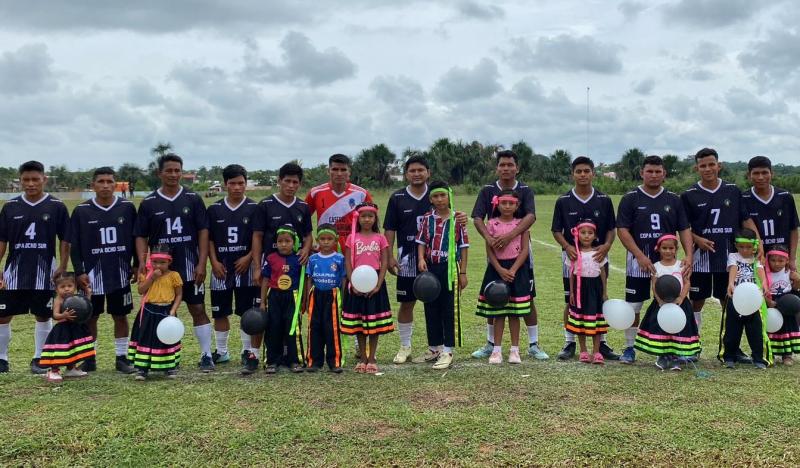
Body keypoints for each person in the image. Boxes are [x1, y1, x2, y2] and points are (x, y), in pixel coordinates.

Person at [133, 153, 214, 372]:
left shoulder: (193, 199)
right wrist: (142, 260)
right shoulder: (149, 202)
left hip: (190, 267)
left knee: (198, 308)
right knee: (160, 312)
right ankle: (163, 360)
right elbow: (140, 235)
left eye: (177, 170)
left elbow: (203, 231)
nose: (173, 174)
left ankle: (206, 355)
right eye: (168, 170)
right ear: (159, 173)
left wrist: (201, 263)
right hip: (160, 270)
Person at [385, 155, 469, 364]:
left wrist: (463, 218)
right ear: (406, 174)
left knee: (438, 304)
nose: (416, 174)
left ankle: (441, 348)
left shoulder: (437, 194)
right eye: (412, 171)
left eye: (420, 170)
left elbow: (456, 218)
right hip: (407, 259)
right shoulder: (397, 197)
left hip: (435, 263)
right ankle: (405, 346)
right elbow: (389, 229)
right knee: (406, 303)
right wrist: (389, 257)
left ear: (428, 172)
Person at [681, 148, 760, 363]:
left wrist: (757, 240)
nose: (707, 169)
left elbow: (745, 219)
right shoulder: (688, 195)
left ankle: (731, 348)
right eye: (703, 165)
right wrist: (697, 239)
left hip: (729, 260)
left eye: (711, 164)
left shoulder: (733, 191)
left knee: (730, 302)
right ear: (697, 168)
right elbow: (684, 227)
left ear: (719, 165)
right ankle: (693, 345)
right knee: (696, 301)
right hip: (701, 259)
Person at [470, 150, 548, 361]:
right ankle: (490, 344)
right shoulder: (487, 190)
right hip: (496, 252)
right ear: (497, 168)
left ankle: (533, 344)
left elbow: (531, 216)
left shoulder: (525, 190)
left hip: (520, 253)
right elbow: (477, 217)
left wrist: (511, 235)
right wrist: (489, 237)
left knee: (526, 297)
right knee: (494, 295)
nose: (506, 168)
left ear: (517, 167)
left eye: (510, 165)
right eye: (502, 165)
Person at [615, 156, 693, 364]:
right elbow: (622, 230)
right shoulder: (630, 198)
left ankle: (670, 349)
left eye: (658, 171)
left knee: (671, 304)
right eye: (650, 171)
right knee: (634, 306)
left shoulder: (674, 199)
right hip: (638, 264)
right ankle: (630, 348)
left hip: (668, 265)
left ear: (664, 173)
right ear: (642, 173)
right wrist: (639, 255)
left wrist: (689, 256)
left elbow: (684, 228)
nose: (654, 175)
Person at [0, 160, 70, 374]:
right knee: (2, 315)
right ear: (20, 181)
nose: (30, 184)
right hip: (14, 272)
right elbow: (2, 241)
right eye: (26, 180)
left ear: (44, 180)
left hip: (45, 272)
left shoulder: (56, 206)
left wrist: (63, 266)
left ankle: (40, 357)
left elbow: (65, 239)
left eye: (35, 179)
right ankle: (1, 358)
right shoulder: (10, 207)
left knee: (44, 314)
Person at [68, 167, 137, 374]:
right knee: (90, 316)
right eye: (101, 182)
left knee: (120, 316)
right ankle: (90, 358)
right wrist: (79, 271)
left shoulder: (127, 208)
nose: (105, 185)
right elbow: (75, 245)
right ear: (93, 185)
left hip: (120, 273)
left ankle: (121, 357)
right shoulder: (81, 211)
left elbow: (137, 239)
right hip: (91, 276)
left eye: (109, 181)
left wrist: (135, 264)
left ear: (116, 184)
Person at [305, 154, 372, 358]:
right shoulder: (316, 193)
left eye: (343, 170)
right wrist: (310, 243)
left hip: (355, 256)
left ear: (349, 172)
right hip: (325, 257)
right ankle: (324, 347)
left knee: (356, 300)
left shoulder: (361, 194)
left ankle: (360, 347)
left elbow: (371, 220)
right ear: (329, 171)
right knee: (326, 302)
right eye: (335, 169)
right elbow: (303, 222)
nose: (339, 173)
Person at [552, 156, 618, 361]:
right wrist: (567, 246)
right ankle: (569, 341)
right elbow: (556, 230)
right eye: (578, 171)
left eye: (586, 171)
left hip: (597, 259)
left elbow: (611, 229)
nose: (582, 175)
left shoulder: (604, 199)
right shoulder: (563, 200)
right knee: (570, 300)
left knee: (599, 299)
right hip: (574, 259)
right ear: (573, 174)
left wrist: (606, 246)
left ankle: (602, 344)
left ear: (593, 173)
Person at [207, 164, 260, 366]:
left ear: (246, 184)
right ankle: (221, 351)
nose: (237, 187)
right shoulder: (214, 209)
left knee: (247, 312)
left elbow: (259, 238)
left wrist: (249, 258)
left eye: (241, 183)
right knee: (220, 312)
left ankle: (247, 351)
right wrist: (214, 261)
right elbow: (209, 239)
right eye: (232, 183)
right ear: (225, 184)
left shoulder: (255, 208)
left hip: (245, 270)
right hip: (221, 269)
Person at [416, 182, 469, 370]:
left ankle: (448, 350)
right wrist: (421, 258)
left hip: (450, 269)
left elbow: (463, 247)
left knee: (449, 310)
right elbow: (422, 241)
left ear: (449, 197)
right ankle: (434, 348)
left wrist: (462, 272)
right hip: (431, 268)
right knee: (431, 308)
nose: (439, 200)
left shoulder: (458, 219)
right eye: (435, 197)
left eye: (443, 196)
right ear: (430, 199)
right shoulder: (427, 218)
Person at [476, 189, 530, 364]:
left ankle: (515, 350)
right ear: (497, 204)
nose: (507, 206)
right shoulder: (491, 224)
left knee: (514, 313)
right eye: (504, 203)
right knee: (498, 312)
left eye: (511, 203)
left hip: (516, 270)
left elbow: (524, 250)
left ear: (517, 205)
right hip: (496, 270)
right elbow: (489, 250)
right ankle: (496, 350)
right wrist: (499, 269)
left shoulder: (522, 224)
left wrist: (513, 270)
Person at [634, 235, 701, 370]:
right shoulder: (656, 267)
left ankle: (675, 356)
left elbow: (687, 283)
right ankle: (662, 356)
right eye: (664, 248)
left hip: (679, 304)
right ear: (658, 249)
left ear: (676, 249)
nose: (668, 251)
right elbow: (654, 285)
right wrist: (660, 301)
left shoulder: (681, 265)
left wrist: (681, 298)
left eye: (671, 248)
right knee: (662, 330)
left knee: (678, 330)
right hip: (662, 305)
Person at [341, 202, 394, 373]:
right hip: (356, 282)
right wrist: (352, 283)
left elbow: (385, 262)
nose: (367, 219)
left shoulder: (380, 238)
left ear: (375, 218)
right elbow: (348, 262)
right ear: (358, 218)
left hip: (375, 282)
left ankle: (372, 358)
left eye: (370, 216)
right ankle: (362, 358)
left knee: (374, 324)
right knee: (359, 323)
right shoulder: (352, 238)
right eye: (363, 216)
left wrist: (378, 284)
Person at [129, 244, 183, 380]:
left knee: (166, 340)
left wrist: (173, 310)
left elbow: (178, 295)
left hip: (166, 312)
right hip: (149, 310)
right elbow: (141, 290)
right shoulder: (146, 273)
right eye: (155, 262)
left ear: (169, 262)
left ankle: (169, 366)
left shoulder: (174, 276)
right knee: (146, 339)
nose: (158, 266)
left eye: (162, 262)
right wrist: (151, 277)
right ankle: (142, 369)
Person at [719, 229, 770, 369]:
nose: (745, 250)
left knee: (756, 330)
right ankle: (729, 356)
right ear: (736, 245)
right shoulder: (733, 256)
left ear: (754, 246)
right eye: (741, 247)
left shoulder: (757, 258)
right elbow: (734, 269)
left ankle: (759, 358)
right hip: (735, 298)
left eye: (748, 247)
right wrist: (731, 283)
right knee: (732, 330)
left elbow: (760, 272)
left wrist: (764, 283)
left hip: (754, 301)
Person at [260, 225, 305, 374]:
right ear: (276, 243)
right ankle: (272, 361)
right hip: (274, 296)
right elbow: (265, 280)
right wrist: (262, 302)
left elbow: (304, 280)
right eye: (280, 241)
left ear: (295, 242)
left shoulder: (300, 259)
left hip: (293, 297)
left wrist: (303, 300)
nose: (284, 244)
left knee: (292, 329)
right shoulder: (271, 258)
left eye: (287, 241)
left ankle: (294, 360)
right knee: (273, 328)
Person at [742, 156, 798, 271]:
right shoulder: (743, 198)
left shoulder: (785, 197)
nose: (761, 177)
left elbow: (793, 229)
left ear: (772, 173)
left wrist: (792, 259)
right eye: (756, 173)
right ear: (749, 175)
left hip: (781, 259)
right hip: (756, 259)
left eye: (764, 172)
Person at [304, 224, 346, 373]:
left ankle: (334, 362)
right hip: (316, 295)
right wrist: (308, 298)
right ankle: (314, 361)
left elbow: (343, 279)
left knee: (332, 328)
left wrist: (343, 297)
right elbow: (309, 279)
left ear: (335, 240)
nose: (326, 242)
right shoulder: (313, 259)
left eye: (329, 239)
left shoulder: (340, 258)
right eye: (322, 239)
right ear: (317, 240)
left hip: (333, 295)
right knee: (314, 327)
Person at [39, 272, 95, 382]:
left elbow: (85, 305)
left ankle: (71, 368)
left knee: (72, 348)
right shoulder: (58, 300)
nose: (66, 289)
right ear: (56, 289)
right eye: (62, 287)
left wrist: (88, 294)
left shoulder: (76, 297)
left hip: (74, 327)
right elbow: (55, 315)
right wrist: (63, 315)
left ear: (74, 287)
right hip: (62, 329)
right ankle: (53, 371)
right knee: (61, 350)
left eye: (70, 286)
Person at [566, 221, 609, 364]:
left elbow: (603, 272)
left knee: (595, 320)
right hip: (580, 289)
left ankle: (596, 352)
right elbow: (571, 274)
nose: (586, 236)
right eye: (583, 233)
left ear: (595, 236)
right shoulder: (574, 253)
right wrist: (571, 292)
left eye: (590, 233)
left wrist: (604, 291)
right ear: (578, 235)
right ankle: (583, 351)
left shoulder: (599, 253)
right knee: (581, 321)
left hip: (595, 289)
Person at [764, 245, 800, 365]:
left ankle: (787, 355)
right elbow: (761, 290)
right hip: (772, 303)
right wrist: (769, 302)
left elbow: (795, 289)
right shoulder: (764, 273)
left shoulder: (789, 272)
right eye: (773, 260)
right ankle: (771, 353)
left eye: (781, 260)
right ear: (768, 259)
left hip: (787, 303)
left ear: (787, 260)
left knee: (787, 329)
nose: (777, 264)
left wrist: (798, 280)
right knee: (772, 329)